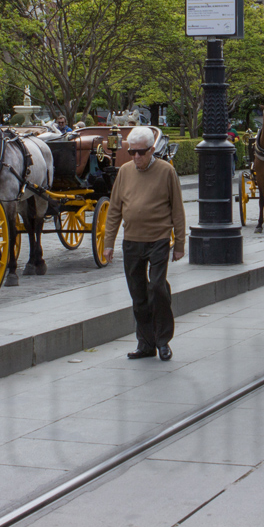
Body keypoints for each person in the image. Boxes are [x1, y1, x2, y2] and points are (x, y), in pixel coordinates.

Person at [104, 125, 187, 361]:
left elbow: (178, 210)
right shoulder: (125, 172)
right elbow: (115, 210)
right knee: (138, 295)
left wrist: (179, 243)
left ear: (152, 150)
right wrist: (108, 242)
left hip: (159, 239)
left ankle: (163, 341)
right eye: (132, 153)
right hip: (132, 241)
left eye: (140, 152)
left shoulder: (166, 171)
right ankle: (146, 343)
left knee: (158, 287)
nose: (136, 157)